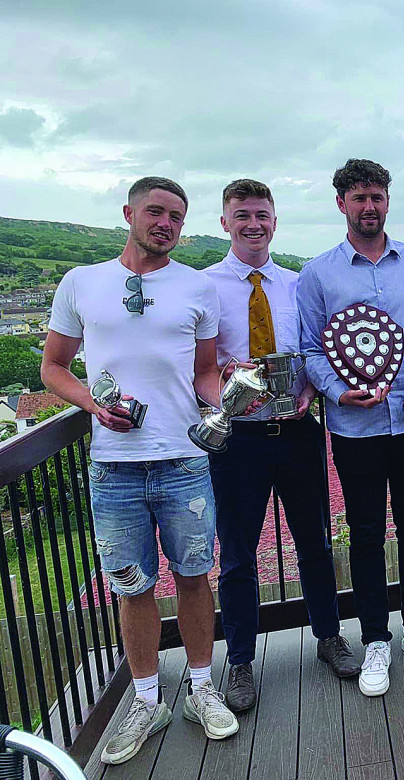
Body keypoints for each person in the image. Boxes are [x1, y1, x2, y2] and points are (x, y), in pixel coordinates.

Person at [41, 177, 238, 765]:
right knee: (134, 588)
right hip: (114, 466)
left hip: (184, 459)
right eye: (156, 212)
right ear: (128, 213)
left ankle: (201, 688)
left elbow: (205, 371)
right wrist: (95, 407)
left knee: (197, 576)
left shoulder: (198, 289)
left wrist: (221, 402)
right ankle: (147, 698)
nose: (166, 224)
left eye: (177, 217)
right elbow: (54, 367)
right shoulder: (82, 282)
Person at [203, 179, 360, 713]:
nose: (253, 223)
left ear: (276, 221)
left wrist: (312, 388)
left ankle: (328, 637)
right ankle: (241, 660)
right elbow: (198, 368)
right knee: (239, 553)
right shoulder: (205, 287)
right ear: (224, 222)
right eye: (242, 214)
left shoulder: (298, 284)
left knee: (314, 541)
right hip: (237, 440)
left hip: (296, 431)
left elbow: (319, 351)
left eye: (262, 214)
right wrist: (226, 378)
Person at [297, 159, 404, 697]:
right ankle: (377, 639)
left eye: (377, 197)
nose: (369, 207)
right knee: (364, 533)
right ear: (341, 203)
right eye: (359, 197)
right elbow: (312, 349)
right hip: (353, 424)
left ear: (388, 201)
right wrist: (338, 391)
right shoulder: (317, 273)